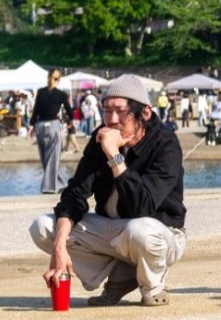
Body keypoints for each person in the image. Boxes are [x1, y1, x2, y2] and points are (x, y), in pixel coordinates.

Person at [29, 75, 187, 306]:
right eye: (106, 110)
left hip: (161, 234)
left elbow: (142, 206)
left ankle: (153, 285)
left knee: (140, 229)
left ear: (145, 113)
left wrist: (114, 156)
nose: (111, 120)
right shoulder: (99, 137)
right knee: (42, 227)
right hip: (113, 229)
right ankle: (122, 273)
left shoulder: (165, 144)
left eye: (120, 111)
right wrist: (59, 247)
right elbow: (75, 194)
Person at [32, 69, 73, 194]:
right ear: (58, 79)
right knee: (52, 158)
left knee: (47, 158)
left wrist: (32, 124)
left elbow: (36, 111)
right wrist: (71, 120)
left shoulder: (41, 92)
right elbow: (69, 110)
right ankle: (49, 187)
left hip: (41, 126)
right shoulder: (61, 94)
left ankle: (58, 184)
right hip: (52, 125)